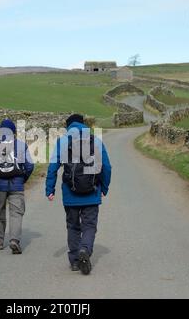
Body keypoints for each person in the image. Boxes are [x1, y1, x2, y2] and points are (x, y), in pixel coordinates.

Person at [45, 114, 112, 275]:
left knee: (73, 227)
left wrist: (50, 189)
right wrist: (104, 187)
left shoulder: (62, 142)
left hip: (70, 193)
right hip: (92, 191)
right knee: (89, 225)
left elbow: (53, 167)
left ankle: (75, 261)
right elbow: (107, 167)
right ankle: (85, 249)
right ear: (83, 124)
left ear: (68, 126)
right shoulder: (95, 140)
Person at [0, 119, 34, 254]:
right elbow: (29, 166)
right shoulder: (21, 145)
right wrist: (23, 179)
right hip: (16, 184)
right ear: (14, 132)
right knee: (16, 213)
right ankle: (14, 241)